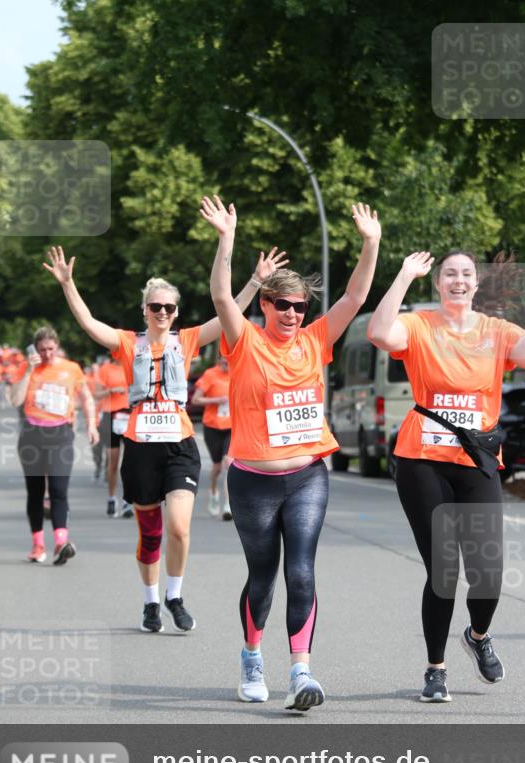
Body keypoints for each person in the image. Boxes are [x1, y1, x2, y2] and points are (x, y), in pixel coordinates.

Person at [43, 243, 287, 634]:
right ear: (145, 310)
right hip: (140, 446)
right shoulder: (127, 342)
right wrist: (68, 284)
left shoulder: (187, 340)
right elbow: (89, 323)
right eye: (155, 307)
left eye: (168, 308)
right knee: (151, 532)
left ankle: (175, 596)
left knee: (179, 527)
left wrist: (257, 280)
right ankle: (151, 602)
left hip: (179, 445)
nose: (161, 313)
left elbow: (229, 310)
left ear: (176, 313)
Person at [203, 194, 381, 711]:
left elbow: (353, 296)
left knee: (301, 570)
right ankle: (252, 658)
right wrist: (227, 241)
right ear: (265, 306)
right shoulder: (244, 341)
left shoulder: (316, 340)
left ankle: (301, 672)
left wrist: (370, 244)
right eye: (283, 305)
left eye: (300, 306)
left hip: (307, 474)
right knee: (262, 576)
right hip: (253, 480)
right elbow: (219, 296)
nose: (293, 314)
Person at [368, 250, 525, 703]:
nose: (458, 280)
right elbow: (379, 332)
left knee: (487, 573)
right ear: (438, 283)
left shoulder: (497, 330)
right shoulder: (419, 325)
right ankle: (435, 668)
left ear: (477, 284)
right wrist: (401, 277)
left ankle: (477, 636)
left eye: (467, 274)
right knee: (444, 569)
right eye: (449, 274)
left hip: (476, 461)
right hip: (422, 459)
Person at [8, 326, 99, 564]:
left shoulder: (71, 369)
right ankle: (38, 545)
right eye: (42, 350)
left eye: (50, 349)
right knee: (35, 492)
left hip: (61, 434)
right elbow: (15, 399)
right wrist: (28, 369)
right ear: (35, 349)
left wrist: (91, 425)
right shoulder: (27, 368)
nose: (47, 354)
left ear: (56, 347)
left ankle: (61, 541)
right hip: (32, 434)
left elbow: (86, 398)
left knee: (59, 490)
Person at [193, 354, 233, 520]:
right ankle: (213, 492)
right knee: (217, 467)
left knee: (228, 464)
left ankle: (228, 505)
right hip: (212, 426)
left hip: (232, 426)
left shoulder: (238, 373)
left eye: (229, 359)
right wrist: (217, 400)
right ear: (218, 360)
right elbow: (195, 399)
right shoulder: (210, 374)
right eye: (223, 359)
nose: (226, 362)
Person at [93, 356, 132, 517]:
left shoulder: (132, 367)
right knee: (113, 461)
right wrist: (111, 390)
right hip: (110, 415)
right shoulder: (105, 369)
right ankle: (111, 498)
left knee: (130, 462)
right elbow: (96, 394)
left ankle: (127, 501)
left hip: (128, 414)